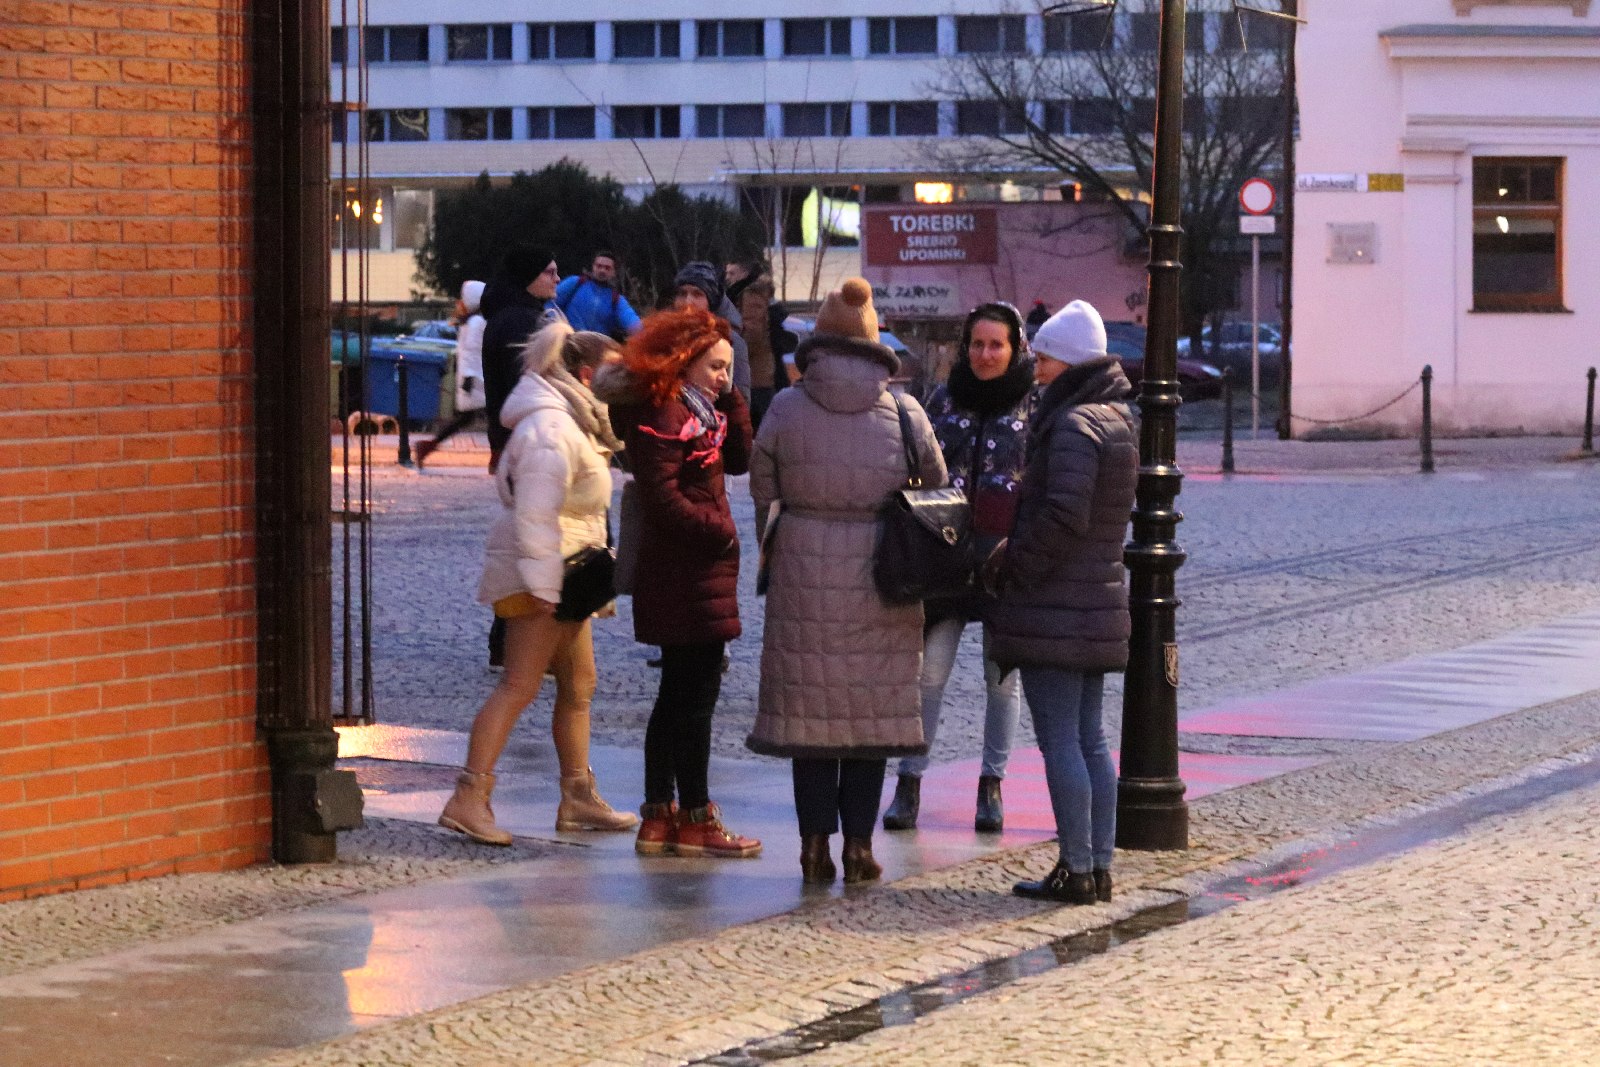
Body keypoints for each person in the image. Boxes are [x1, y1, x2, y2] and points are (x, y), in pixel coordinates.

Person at [746, 279, 946, 885]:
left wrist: (783, 537)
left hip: (803, 567)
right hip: (883, 572)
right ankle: (860, 845)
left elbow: (761, 485)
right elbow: (937, 485)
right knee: (869, 721)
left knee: (810, 723)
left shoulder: (786, 406)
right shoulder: (905, 413)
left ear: (817, 343)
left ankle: (813, 848)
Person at [438, 322, 638, 845]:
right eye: (617, 372)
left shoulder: (572, 420)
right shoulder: (552, 427)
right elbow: (535, 516)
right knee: (518, 686)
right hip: (546, 578)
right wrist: (548, 590)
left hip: (566, 577)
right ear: (588, 373)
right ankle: (469, 796)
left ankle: (577, 796)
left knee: (579, 685)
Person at [593, 307, 760, 859]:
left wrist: (732, 400)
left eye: (728, 367)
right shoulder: (665, 414)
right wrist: (720, 532)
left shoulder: (702, 409)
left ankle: (661, 816)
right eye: (714, 366)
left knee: (680, 694)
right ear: (684, 363)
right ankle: (693, 814)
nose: (722, 377)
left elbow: (739, 459)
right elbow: (665, 498)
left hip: (696, 569)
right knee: (694, 697)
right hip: (686, 569)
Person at [988, 299, 1138, 906]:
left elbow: (1061, 516)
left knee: (1062, 741)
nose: (1036, 366)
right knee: (1090, 739)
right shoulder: (1116, 419)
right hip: (1095, 600)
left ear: (1068, 360)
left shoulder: (1075, 425)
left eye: (1044, 356)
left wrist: (1014, 564)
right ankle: (1097, 866)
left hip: (1058, 603)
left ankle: (1076, 867)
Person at [881, 303, 1034, 835]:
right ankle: (909, 781)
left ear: (1016, 347)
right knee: (929, 674)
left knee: (1001, 680)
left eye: (996, 345)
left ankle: (992, 785)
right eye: (977, 344)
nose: (985, 354)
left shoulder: (1032, 401)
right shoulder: (942, 399)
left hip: (1004, 559)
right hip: (944, 553)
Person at [480, 246, 564, 668]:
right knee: (533, 540)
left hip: (518, 441)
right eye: (548, 271)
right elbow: (526, 385)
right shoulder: (519, 322)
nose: (556, 277)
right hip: (530, 443)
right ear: (528, 275)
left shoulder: (520, 316)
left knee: (525, 538)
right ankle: (516, 642)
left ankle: (510, 639)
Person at [416, 280, 487, 468]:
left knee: (466, 418)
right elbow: (473, 351)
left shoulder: (470, 322)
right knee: (491, 416)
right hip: (477, 378)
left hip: (472, 377)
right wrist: (472, 377)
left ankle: (428, 446)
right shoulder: (477, 322)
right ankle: (428, 446)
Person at [724, 258, 791, 428]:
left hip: (756, 381)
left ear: (745, 275)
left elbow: (752, 332)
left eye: (732, 273)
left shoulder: (751, 295)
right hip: (760, 379)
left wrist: (731, 348)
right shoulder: (751, 295)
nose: (728, 277)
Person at [672, 261, 751, 401]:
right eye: (682, 293)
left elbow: (740, 401)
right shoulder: (666, 336)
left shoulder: (730, 341)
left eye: (697, 294)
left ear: (712, 301)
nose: (687, 301)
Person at [554, 251, 643, 340]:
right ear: (593, 267)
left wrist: (648, 333)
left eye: (607, 268)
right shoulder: (575, 283)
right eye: (599, 266)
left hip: (595, 349)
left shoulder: (616, 299)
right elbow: (550, 302)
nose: (602, 270)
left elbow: (633, 323)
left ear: (614, 272)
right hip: (566, 341)